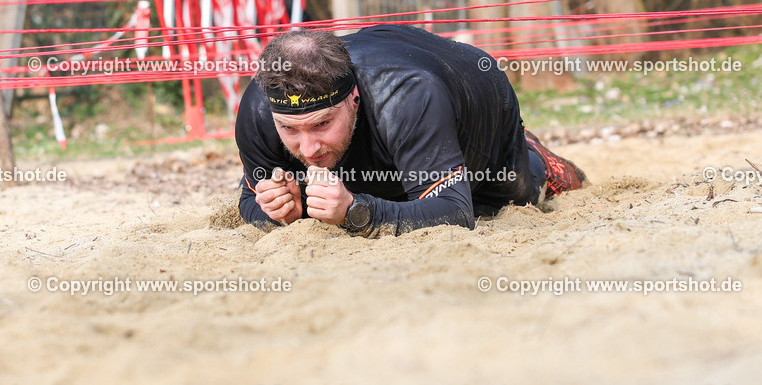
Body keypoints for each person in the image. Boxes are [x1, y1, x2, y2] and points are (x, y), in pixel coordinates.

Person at [235, 24, 587, 236]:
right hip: (390, 127)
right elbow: (249, 199)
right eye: (290, 130)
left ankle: (533, 153)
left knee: (511, 198)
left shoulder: (407, 96)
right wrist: (281, 213)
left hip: (473, 97)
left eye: (323, 123)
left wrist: (356, 211)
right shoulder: (258, 108)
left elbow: (456, 211)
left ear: (353, 97)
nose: (309, 148)